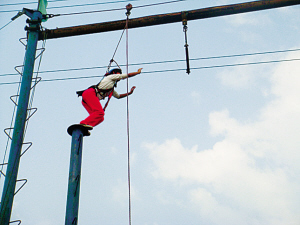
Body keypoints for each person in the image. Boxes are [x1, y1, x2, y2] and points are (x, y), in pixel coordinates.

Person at [77, 68, 142, 128]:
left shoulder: (111, 87)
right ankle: (83, 123)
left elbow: (118, 96)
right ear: (114, 72)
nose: (120, 75)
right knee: (100, 112)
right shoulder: (110, 77)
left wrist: (129, 93)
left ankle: (86, 126)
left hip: (87, 98)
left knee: (100, 117)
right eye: (119, 73)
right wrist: (137, 72)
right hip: (90, 93)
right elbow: (126, 75)